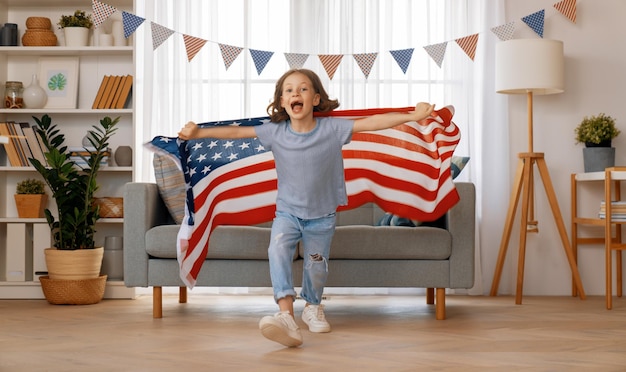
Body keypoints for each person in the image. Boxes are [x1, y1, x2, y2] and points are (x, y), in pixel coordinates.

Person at [178, 68, 435, 348]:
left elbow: (372, 122)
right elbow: (237, 132)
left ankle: (312, 306)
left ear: (315, 99)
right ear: (281, 101)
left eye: (302, 89)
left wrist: (412, 116)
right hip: (287, 214)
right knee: (276, 250)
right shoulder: (274, 132)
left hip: (322, 217)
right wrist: (199, 132)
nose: (295, 94)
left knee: (315, 265)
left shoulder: (332, 129)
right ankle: (286, 315)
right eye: (288, 90)